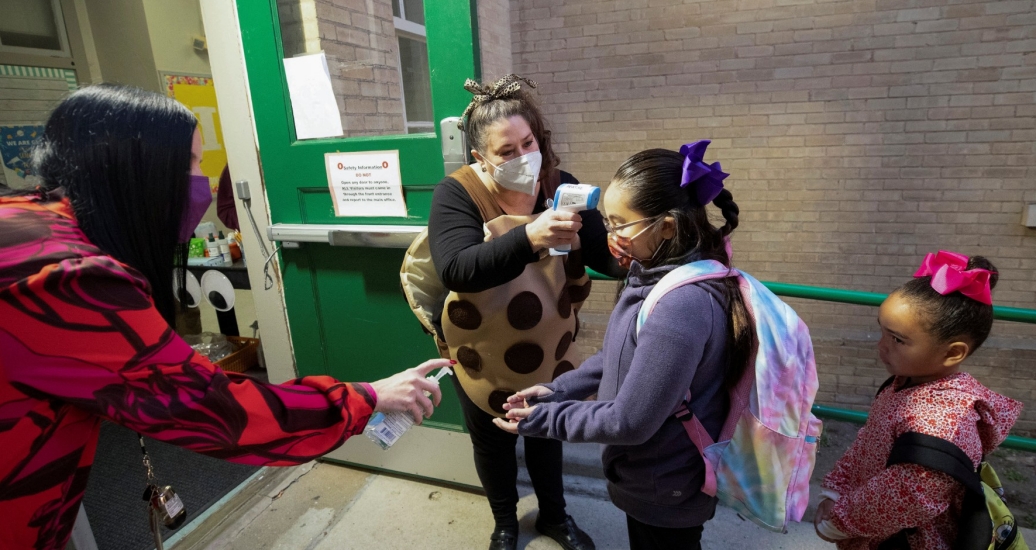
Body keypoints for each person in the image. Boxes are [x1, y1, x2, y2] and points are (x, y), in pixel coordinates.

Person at [0, 84, 451, 550]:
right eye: (191, 163)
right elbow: (217, 410)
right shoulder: (68, 278)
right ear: (136, 169)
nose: (201, 181)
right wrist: (368, 397)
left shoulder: (23, 223)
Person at [496, 142, 751, 550]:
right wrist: (558, 389)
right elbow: (621, 354)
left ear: (666, 226)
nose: (609, 236)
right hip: (654, 475)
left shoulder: (681, 304)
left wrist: (544, 420)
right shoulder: (658, 273)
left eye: (619, 224)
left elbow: (630, 421)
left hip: (665, 486)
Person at [427, 75, 619, 550]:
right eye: (506, 152)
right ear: (480, 159)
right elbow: (457, 269)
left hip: (548, 346)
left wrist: (643, 245)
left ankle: (555, 516)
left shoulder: (561, 186)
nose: (523, 158)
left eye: (528, 143)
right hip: (484, 351)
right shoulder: (458, 194)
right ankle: (505, 523)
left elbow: (603, 256)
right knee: (492, 442)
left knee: (545, 433)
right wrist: (531, 237)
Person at [813, 251, 1023, 549]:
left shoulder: (944, 420)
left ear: (953, 353)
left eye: (897, 339)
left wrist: (842, 519)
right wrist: (836, 490)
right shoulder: (903, 384)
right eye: (882, 331)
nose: (881, 346)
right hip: (869, 529)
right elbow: (869, 440)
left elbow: (911, 492)